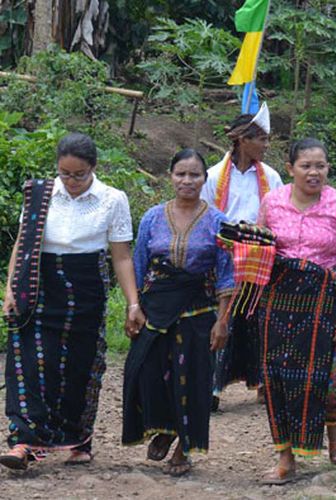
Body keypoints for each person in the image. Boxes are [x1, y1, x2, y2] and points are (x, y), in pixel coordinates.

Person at [0, 133, 143, 470]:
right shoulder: (39, 195)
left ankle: (77, 440)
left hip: (86, 288)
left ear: (93, 168)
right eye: (65, 174)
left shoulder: (112, 199)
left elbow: (121, 257)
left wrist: (133, 302)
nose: (71, 181)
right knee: (30, 366)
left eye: (79, 174)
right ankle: (25, 443)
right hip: (37, 286)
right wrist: (10, 289)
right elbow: (22, 246)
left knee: (80, 366)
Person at [256, 138, 336, 484]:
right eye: (306, 166)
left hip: (321, 299)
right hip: (277, 299)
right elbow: (260, 250)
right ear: (290, 169)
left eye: (320, 166)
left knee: (323, 375)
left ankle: (333, 423)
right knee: (276, 376)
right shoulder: (271, 203)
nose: (314, 172)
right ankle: (285, 457)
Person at [122, 149, 234, 476]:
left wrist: (223, 321)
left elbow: (227, 275)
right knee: (144, 370)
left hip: (198, 310)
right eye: (181, 174)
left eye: (194, 175)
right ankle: (164, 427)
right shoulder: (153, 217)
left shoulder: (218, 222)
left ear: (204, 179)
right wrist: (135, 307)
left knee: (192, 379)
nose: (187, 181)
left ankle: (185, 448)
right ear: (170, 176)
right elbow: (140, 265)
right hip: (156, 307)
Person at [200, 102, 283, 411]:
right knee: (222, 320)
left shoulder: (271, 177)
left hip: (258, 258)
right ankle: (213, 386)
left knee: (258, 319)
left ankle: (262, 382)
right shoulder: (212, 176)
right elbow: (206, 215)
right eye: (260, 139)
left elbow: (277, 215)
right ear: (242, 140)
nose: (265, 145)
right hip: (224, 256)